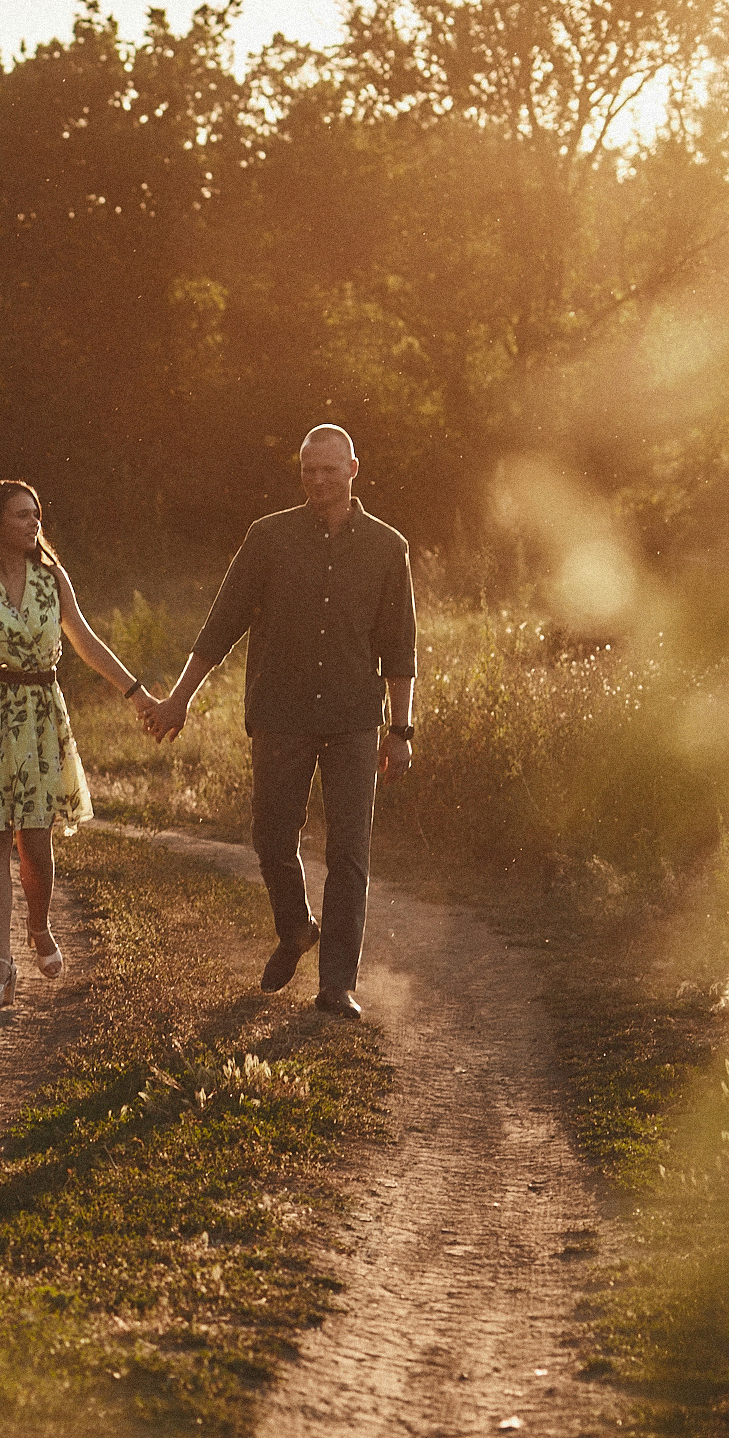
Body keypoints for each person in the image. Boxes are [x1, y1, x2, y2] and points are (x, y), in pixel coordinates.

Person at [145, 425, 417, 1019]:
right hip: (280, 714)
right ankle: (295, 928)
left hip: (353, 718)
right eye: (307, 470)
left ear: (353, 469)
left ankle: (336, 985)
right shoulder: (268, 538)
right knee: (272, 838)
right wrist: (179, 698)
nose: (317, 480)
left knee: (350, 852)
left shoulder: (387, 548)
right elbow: (221, 624)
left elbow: (399, 649)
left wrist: (401, 730)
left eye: (328, 469)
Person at [0, 479, 159, 1005]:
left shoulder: (53, 578)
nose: (34, 523)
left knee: (35, 840)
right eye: (22, 515)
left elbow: (86, 641)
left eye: (36, 514)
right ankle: (0, 965)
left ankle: (39, 923)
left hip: (42, 717)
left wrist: (136, 694)